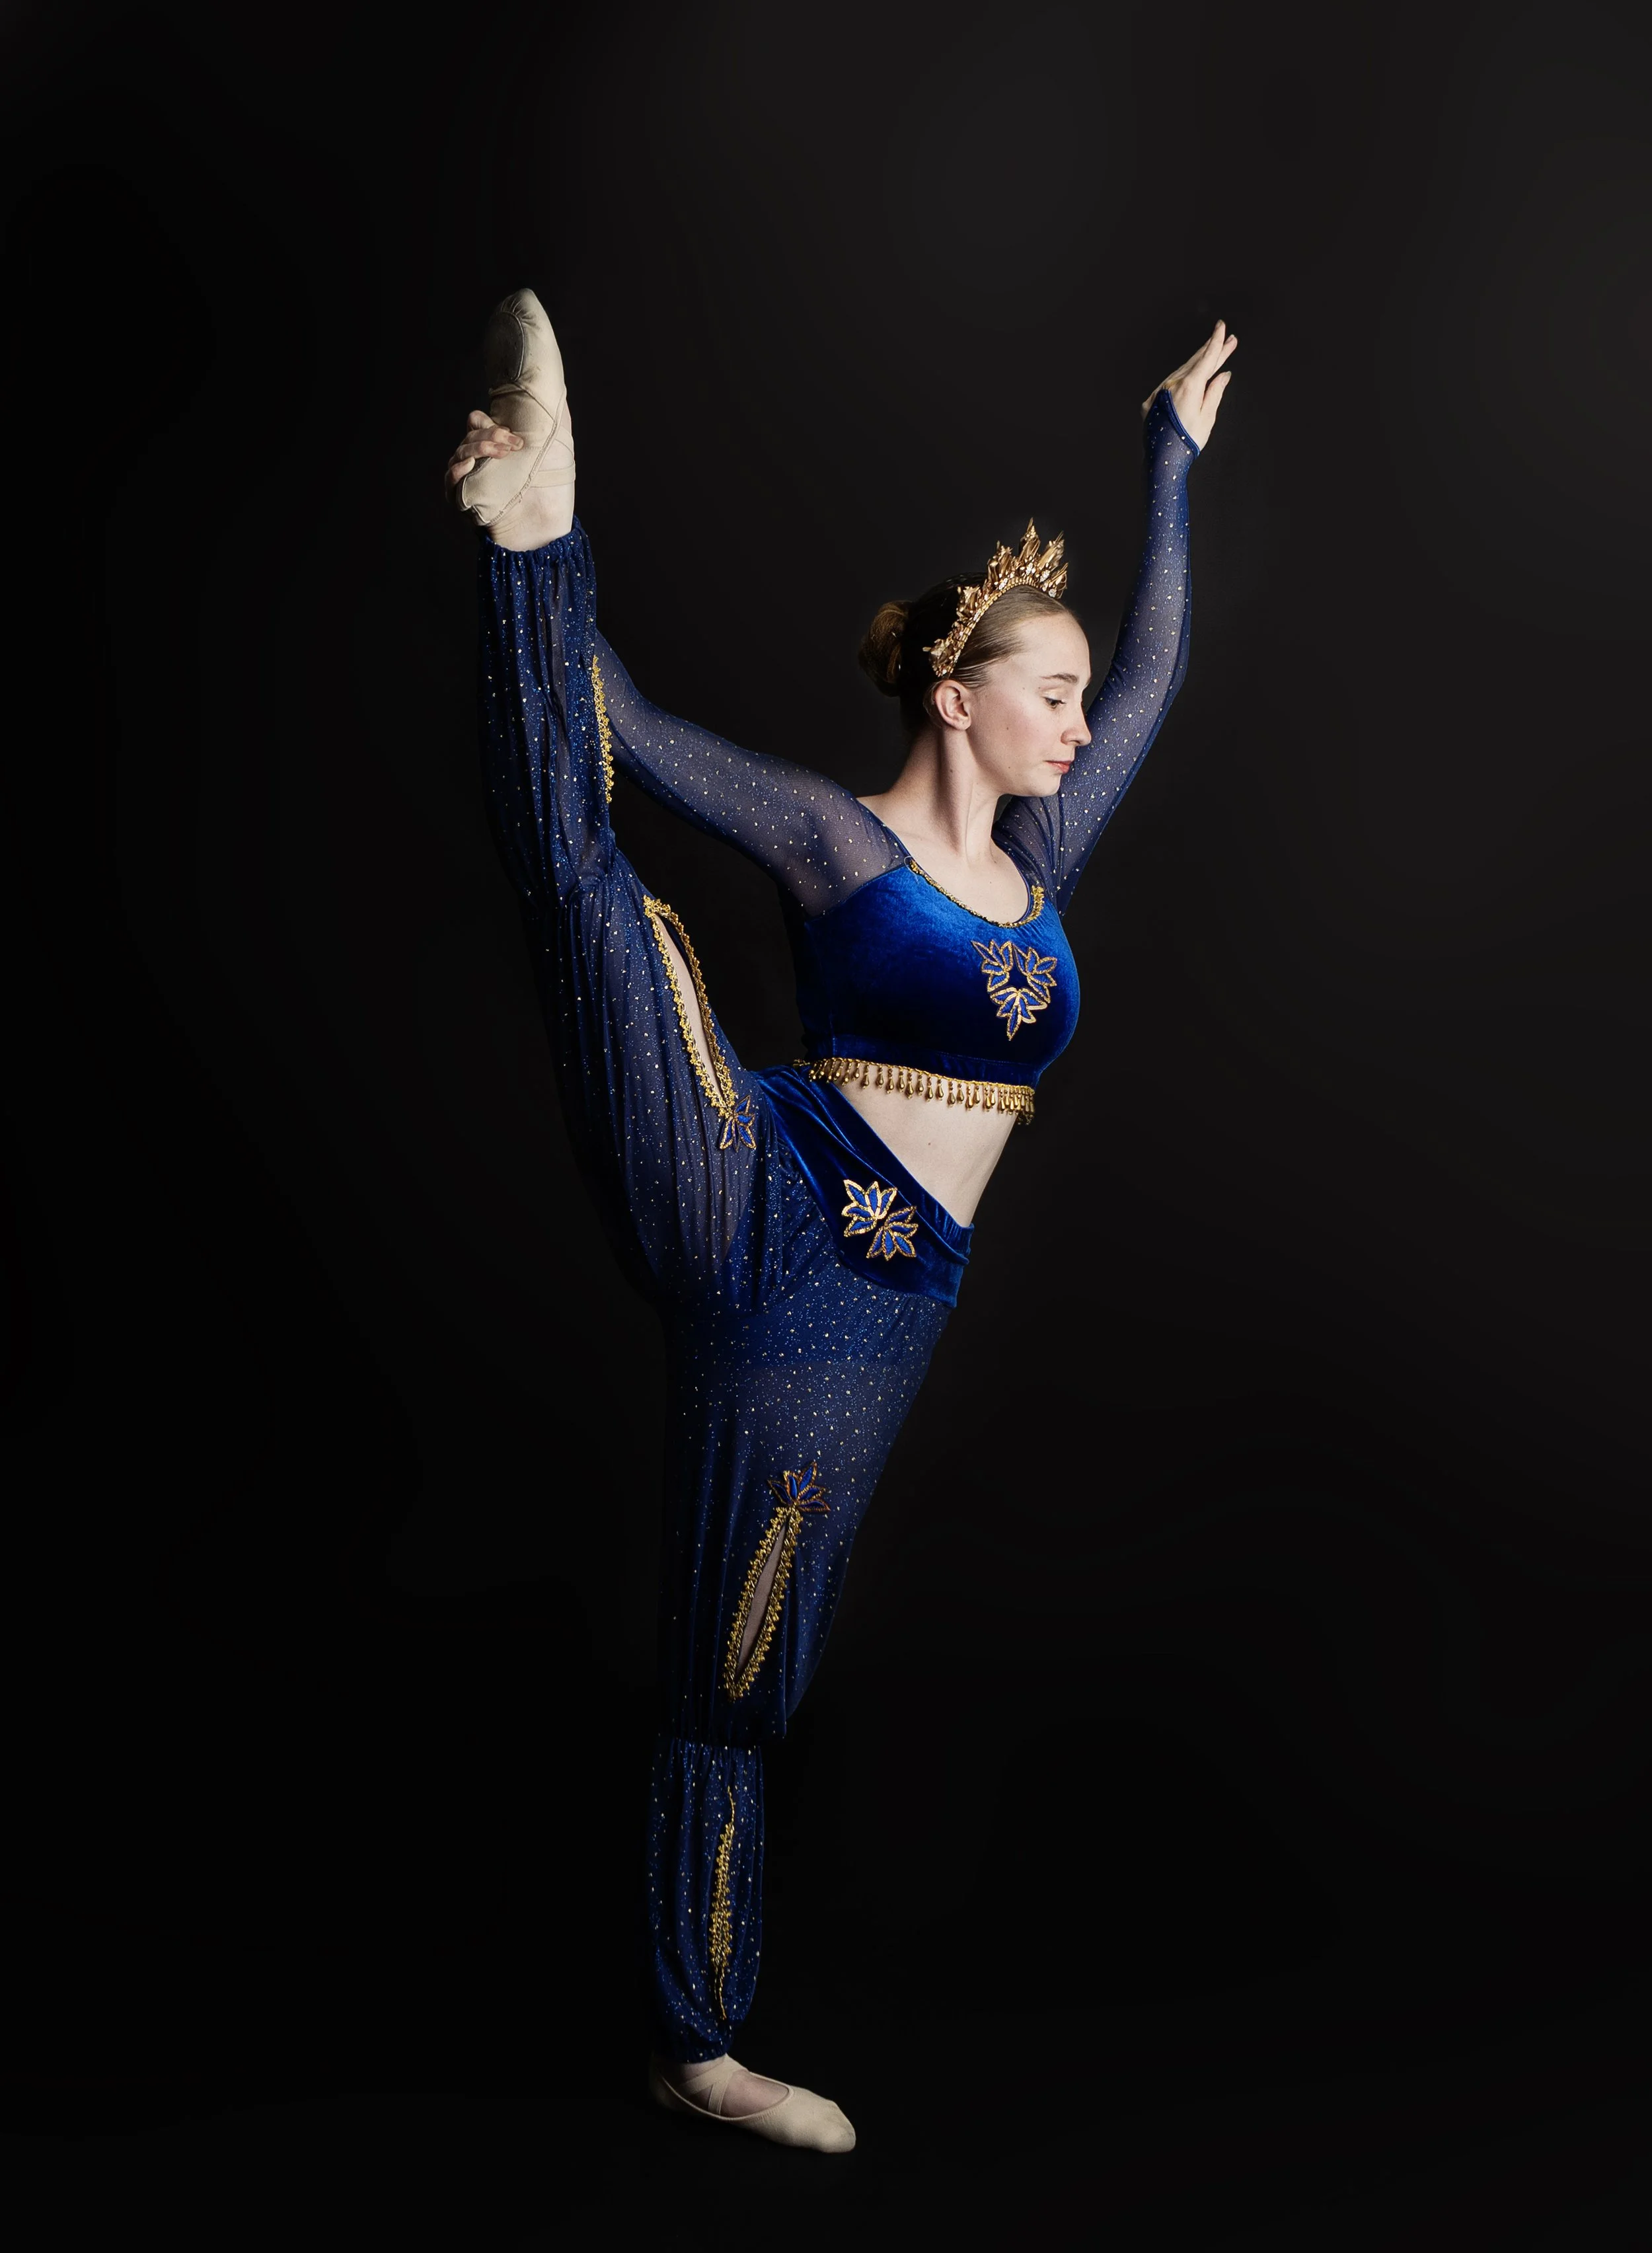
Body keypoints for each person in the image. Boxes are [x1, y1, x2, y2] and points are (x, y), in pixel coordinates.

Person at [444, 289, 1234, 2150]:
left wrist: (1168, 462)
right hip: (750, 1174)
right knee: (594, 897)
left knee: (739, 1667)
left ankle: (692, 2040)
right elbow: (621, 725)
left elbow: (1163, 679)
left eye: (1073, 696)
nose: (1075, 718)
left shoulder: (1036, 864)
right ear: (955, 699)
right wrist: (545, 577)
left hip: (859, 1312)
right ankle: (529, 529)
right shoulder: (830, 839)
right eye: (1046, 689)